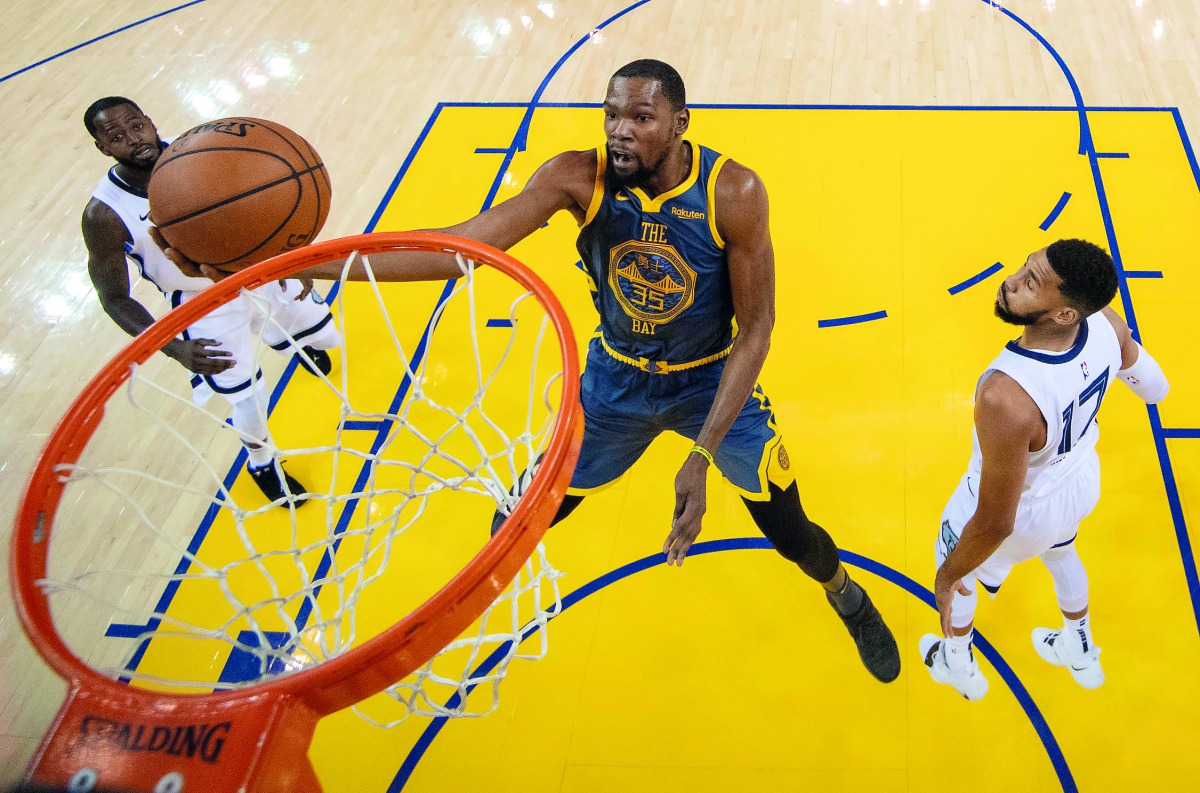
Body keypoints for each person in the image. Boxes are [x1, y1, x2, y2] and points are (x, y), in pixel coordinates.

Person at [160, 60, 901, 682]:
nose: (619, 130)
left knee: (791, 529)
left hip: (711, 380)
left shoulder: (732, 192)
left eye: (641, 117)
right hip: (616, 382)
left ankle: (845, 595)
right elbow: (462, 246)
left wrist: (701, 454)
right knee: (515, 519)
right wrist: (305, 262)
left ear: (680, 123)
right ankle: (471, 624)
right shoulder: (576, 178)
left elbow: (757, 328)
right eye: (611, 113)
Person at [920, 239, 1169, 700]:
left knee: (959, 578)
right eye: (1025, 267)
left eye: (1031, 284)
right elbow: (1156, 389)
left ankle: (957, 662)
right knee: (1062, 553)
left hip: (1023, 511)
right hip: (1077, 482)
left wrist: (944, 575)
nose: (1012, 282)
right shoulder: (1108, 327)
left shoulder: (1006, 395)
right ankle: (1079, 646)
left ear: (1063, 314)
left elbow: (996, 521)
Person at [82, 97, 341, 506]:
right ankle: (261, 461)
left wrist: (298, 259)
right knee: (249, 399)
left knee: (325, 335)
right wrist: (175, 349)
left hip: (259, 268)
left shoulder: (202, 155)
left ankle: (290, 340)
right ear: (103, 148)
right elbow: (113, 296)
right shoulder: (104, 215)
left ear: (150, 121)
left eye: (136, 126)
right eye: (116, 137)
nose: (133, 140)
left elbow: (268, 207)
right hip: (201, 303)